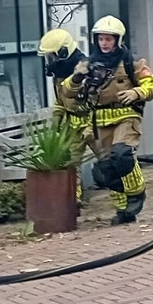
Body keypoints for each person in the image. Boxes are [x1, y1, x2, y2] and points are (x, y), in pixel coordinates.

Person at [58, 16, 153, 225]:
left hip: (125, 116)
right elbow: (66, 91)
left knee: (122, 154)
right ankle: (123, 211)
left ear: (118, 40)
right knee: (108, 169)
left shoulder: (133, 62)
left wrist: (137, 92)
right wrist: (77, 77)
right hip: (98, 121)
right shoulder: (87, 64)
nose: (104, 43)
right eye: (101, 39)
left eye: (108, 39)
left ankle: (136, 192)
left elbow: (152, 85)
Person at [38, 29, 89, 206]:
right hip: (72, 123)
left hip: (95, 122)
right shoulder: (59, 75)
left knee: (109, 160)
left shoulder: (85, 70)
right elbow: (61, 100)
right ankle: (74, 200)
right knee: (72, 162)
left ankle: (125, 205)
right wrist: (57, 118)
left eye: (52, 56)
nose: (50, 62)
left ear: (64, 52)